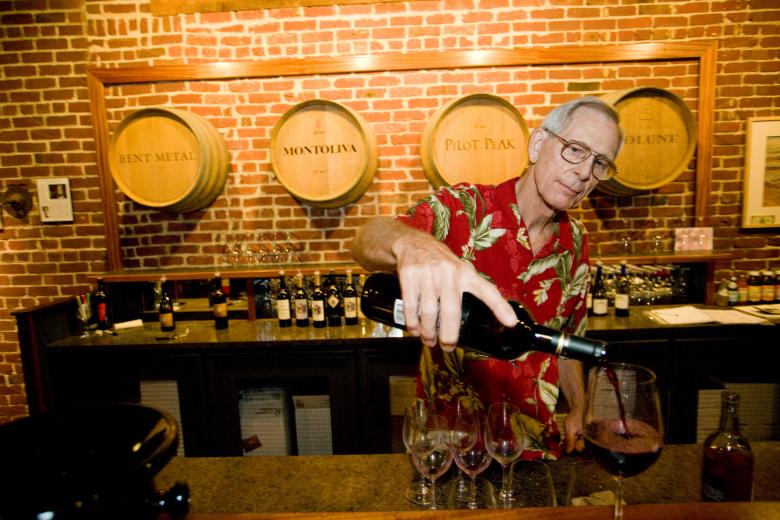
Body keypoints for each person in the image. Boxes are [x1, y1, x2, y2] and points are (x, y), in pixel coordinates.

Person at [352, 95, 623, 460]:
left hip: (531, 447)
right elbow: (365, 239)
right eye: (575, 149)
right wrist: (412, 244)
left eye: (600, 162)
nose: (585, 172)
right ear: (538, 144)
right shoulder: (463, 209)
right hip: (451, 447)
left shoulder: (576, 241)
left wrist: (578, 406)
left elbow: (565, 339)